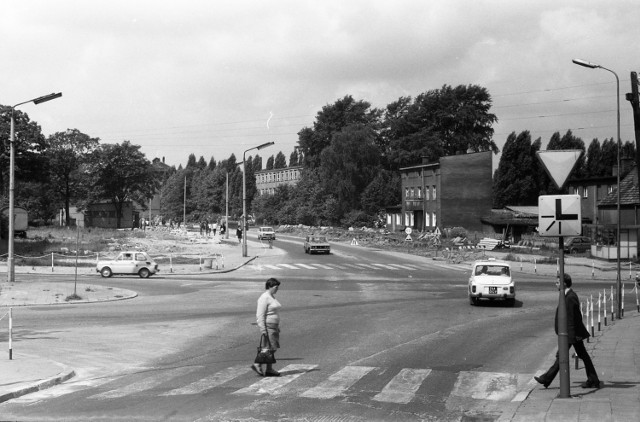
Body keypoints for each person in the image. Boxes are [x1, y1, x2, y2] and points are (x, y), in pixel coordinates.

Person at [534, 273, 601, 389]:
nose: (555, 284)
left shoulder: (570, 297)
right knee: (581, 356)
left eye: (557, 282)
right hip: (572, 333)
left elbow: (572, 319)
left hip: (571, 333)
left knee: (563, 356)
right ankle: (593, 379)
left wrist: (567, 338)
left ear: (564, 283)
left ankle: (547, 378)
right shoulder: (567, 295)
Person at [252, 278, 282, 377]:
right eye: (275, 287)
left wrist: (277, 326)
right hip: (268, 326)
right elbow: (260, 314)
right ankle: (257, 364)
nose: (277, 289)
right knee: (270, 348)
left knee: (270, 348)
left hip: (273, 326)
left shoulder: (271, 296)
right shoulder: (264, 298)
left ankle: (269, 369)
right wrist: (263, 329)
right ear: (270, 286)